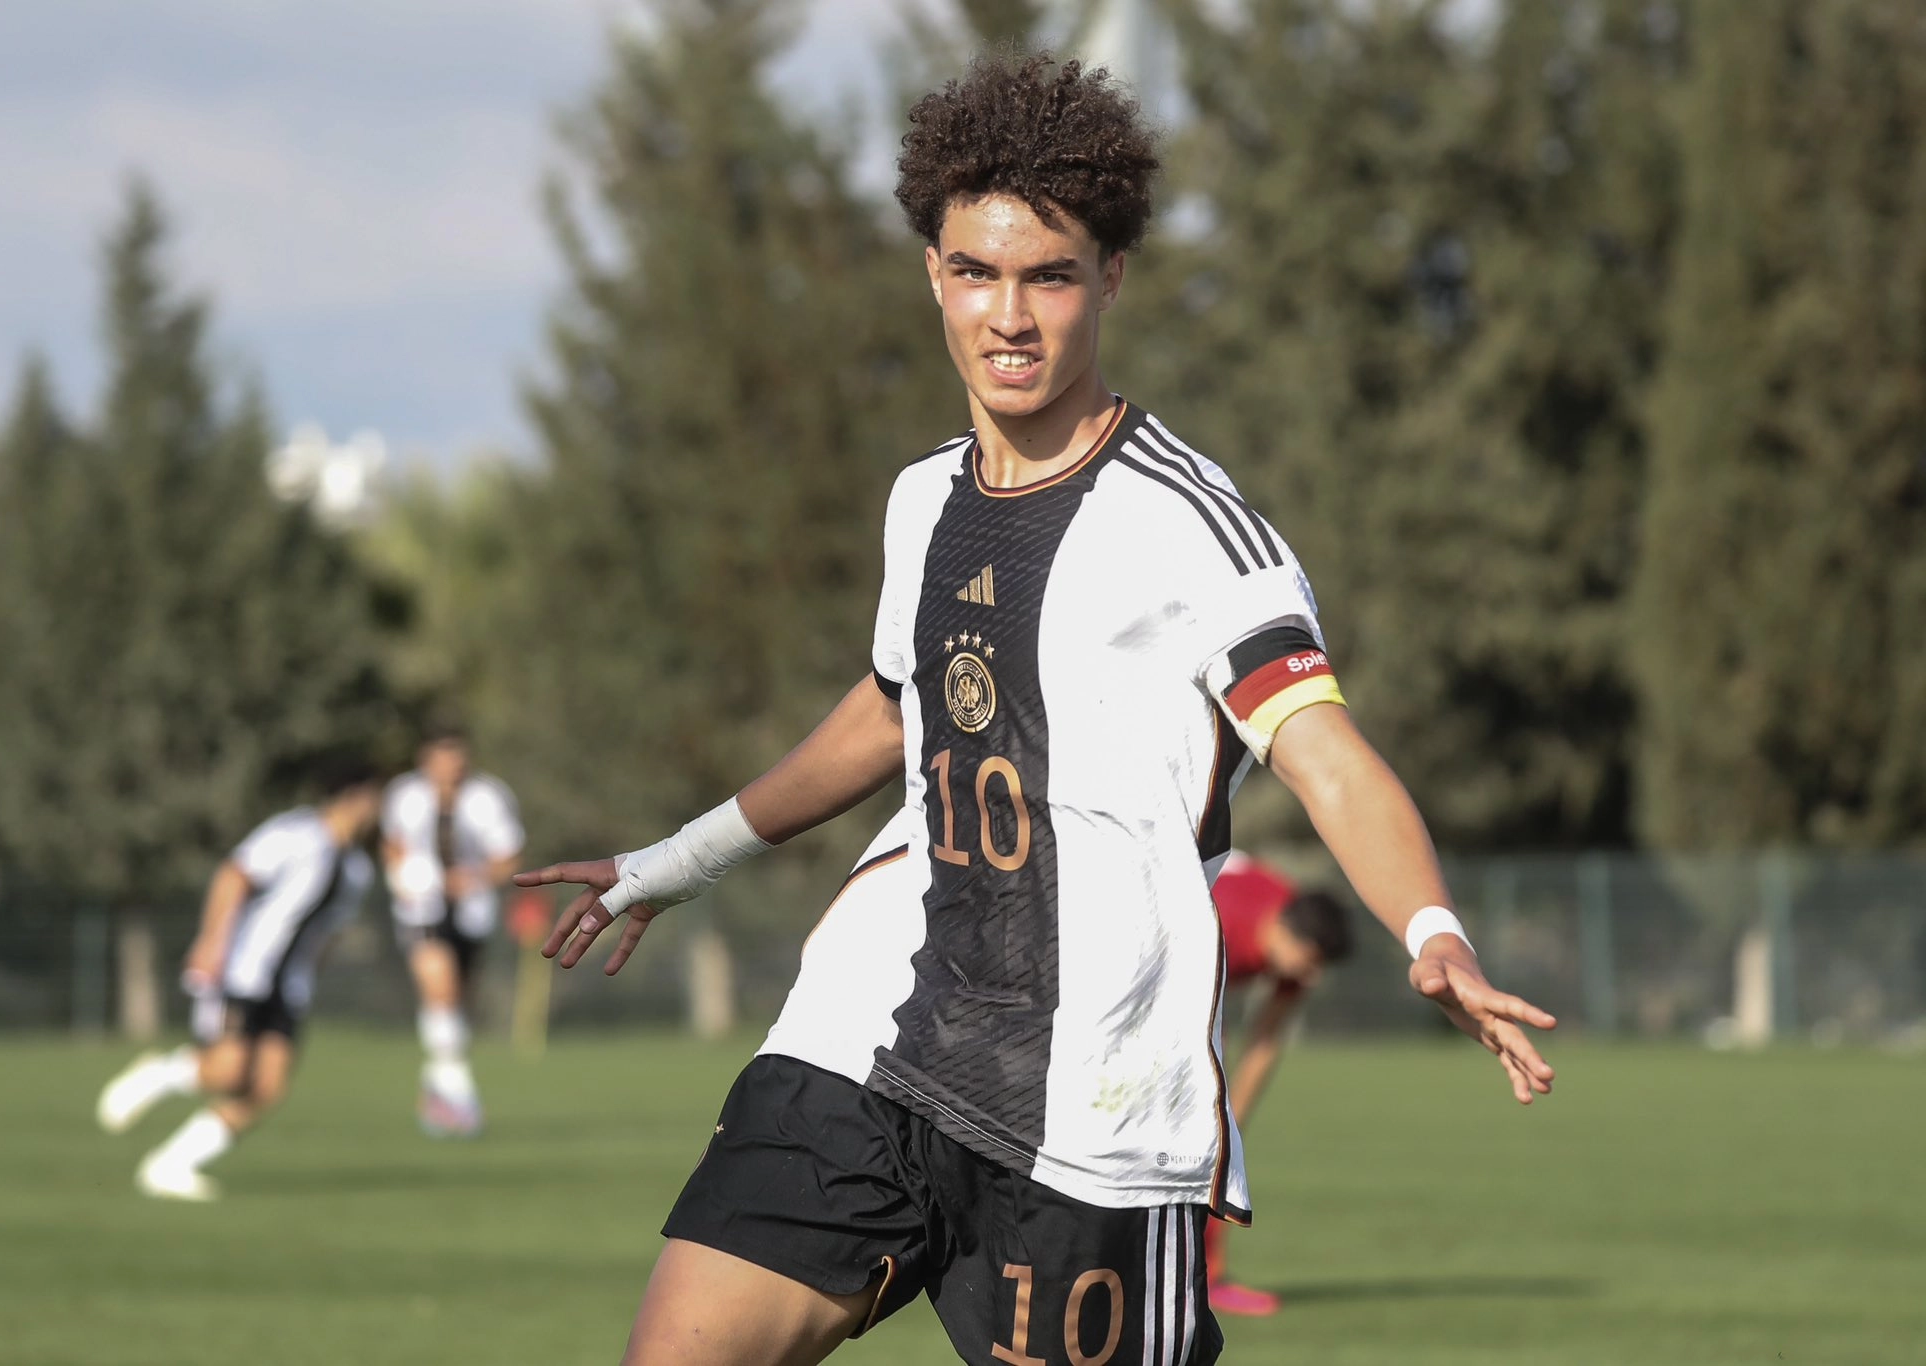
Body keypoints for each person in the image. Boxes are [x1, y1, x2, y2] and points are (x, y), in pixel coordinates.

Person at [515, 51, 1556, 1366]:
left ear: (1110, 277)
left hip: (1093, 1107)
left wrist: (1434, 931)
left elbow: (1325, 755)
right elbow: (889, 712)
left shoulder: (1193, 528)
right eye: (975, 272)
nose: (1007, 316)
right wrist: (681, 858)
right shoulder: (922, 499)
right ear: (932, 274)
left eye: (1048, 276)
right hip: (868, 1034)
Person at [95, 759, 381, 1201]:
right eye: (376, 797)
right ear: (355, 796)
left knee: (267, 1087)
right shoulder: (297, 834)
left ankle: (170, 1164)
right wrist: (212, 941)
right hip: (246, 970)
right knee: (228, 1070)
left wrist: (308, 981)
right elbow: (234, 875)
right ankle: (161, 1073)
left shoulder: (357, 870)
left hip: (289, 987)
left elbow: (328, 936)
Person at [1202, 853, 1355, 1317]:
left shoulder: (1298, 934)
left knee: (1217, 1147)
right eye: (1310, 960)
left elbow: (1267, 1038)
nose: (1312, 976)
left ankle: (1207, 1278)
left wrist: (1232, 1122)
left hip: (1206, 994)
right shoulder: (1218, 919)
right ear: (1285, 933)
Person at [381, 727, 524, 1136]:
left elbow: (508, 856)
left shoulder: (488, 797)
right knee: (438, 987)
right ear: (426, 762)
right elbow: (392, 844)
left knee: (457, 1005)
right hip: (421, 907)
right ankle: (458, 1090)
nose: (450, 773)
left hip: (472, 911)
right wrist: (402, 875)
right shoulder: (405, 795)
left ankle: (436, 1089)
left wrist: (476, 877)